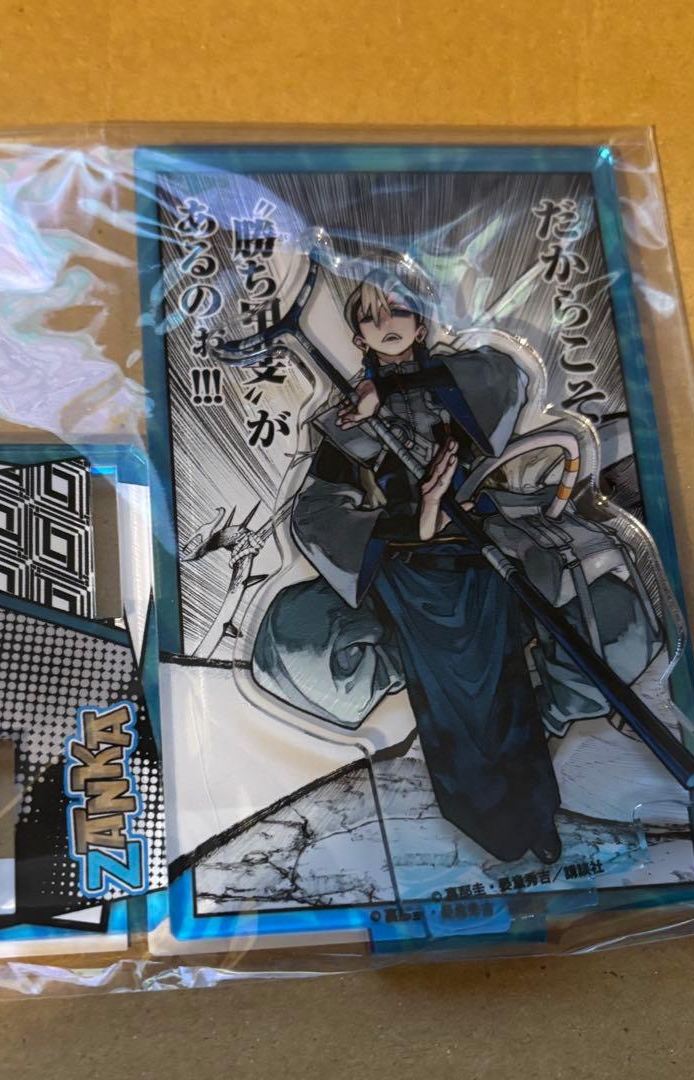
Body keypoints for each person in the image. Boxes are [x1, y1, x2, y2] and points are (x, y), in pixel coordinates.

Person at [257, 267, 563, 864]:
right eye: (370, 318)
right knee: (447, 700)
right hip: (413, 568)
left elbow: (508, 377)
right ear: (358, 337)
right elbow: (316, 512)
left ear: (421, 322)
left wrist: (390, 390)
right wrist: (415, 520)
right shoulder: (349, 422)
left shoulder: (457, 381)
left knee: (507, 686)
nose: (386, 324)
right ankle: (487, 823)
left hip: (480, 552)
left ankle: (536, 813)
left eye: (397, 309)